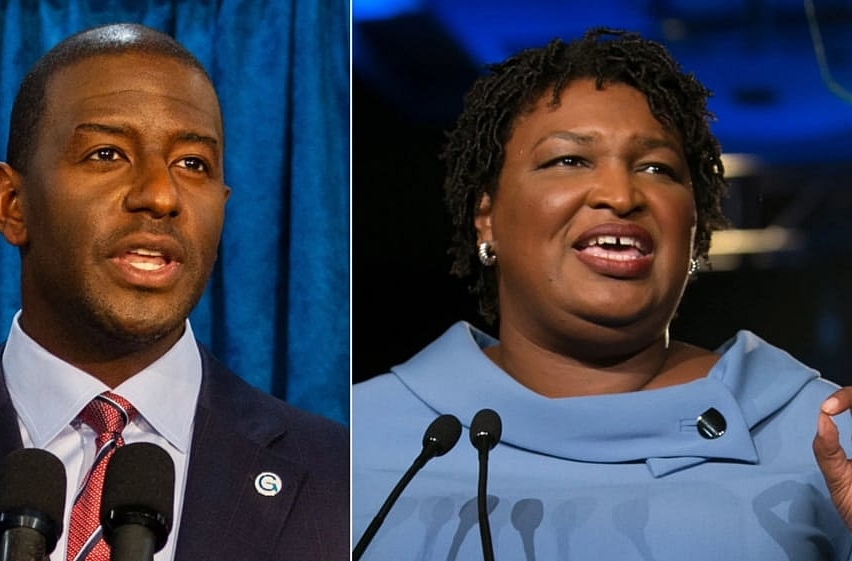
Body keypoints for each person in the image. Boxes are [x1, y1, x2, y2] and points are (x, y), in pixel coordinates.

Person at [0, 23, 348, 561]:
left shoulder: (340, 483)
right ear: (11, 202)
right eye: (107, 154)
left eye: (192, 164)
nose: (160, 195)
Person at [353, 28, 852, 560]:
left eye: (657, 168)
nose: (620, 195)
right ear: (486, 219)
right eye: (568, 160)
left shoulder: (827, 437)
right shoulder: (354, 439)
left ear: (696, 226)